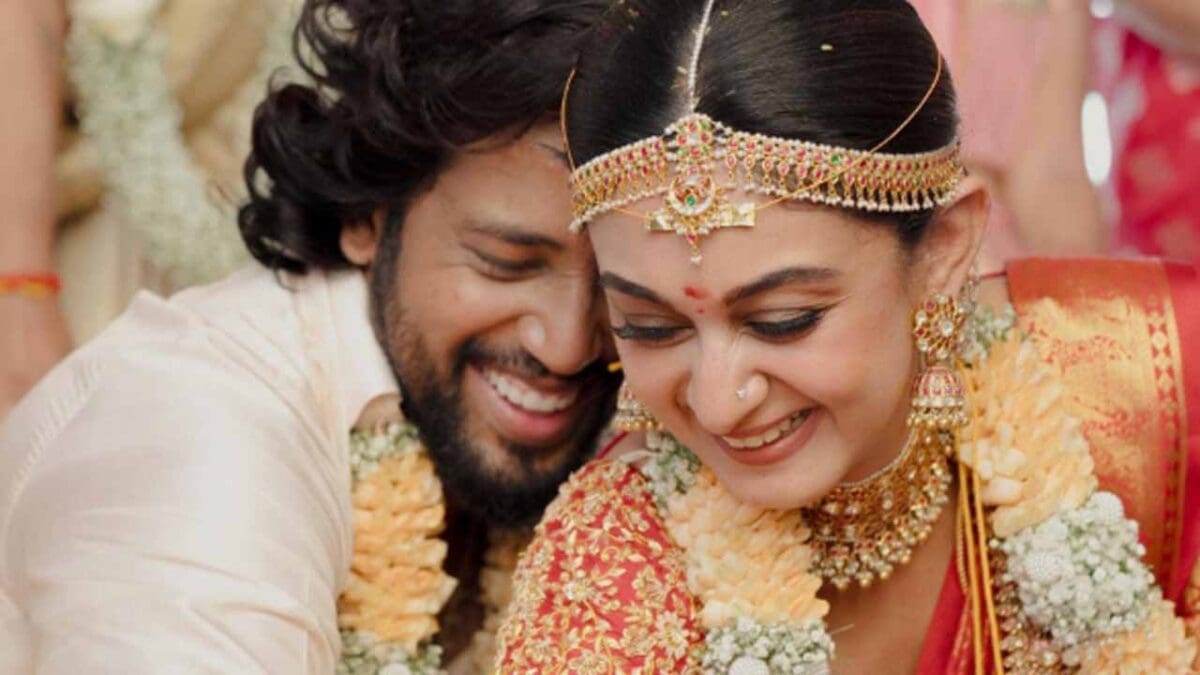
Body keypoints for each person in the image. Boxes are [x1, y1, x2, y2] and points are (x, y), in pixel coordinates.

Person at [494, 1, 1200, 672]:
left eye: (783, 320)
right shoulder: (605, 580)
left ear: (945, 250)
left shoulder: (1142, 372)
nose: (717, 401)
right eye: (650, 328)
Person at [0, 0, 617, 672]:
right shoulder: (200, 443)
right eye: (505, 263)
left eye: (623, 289)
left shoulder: (642, 440)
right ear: (367, 216)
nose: (568, 345)